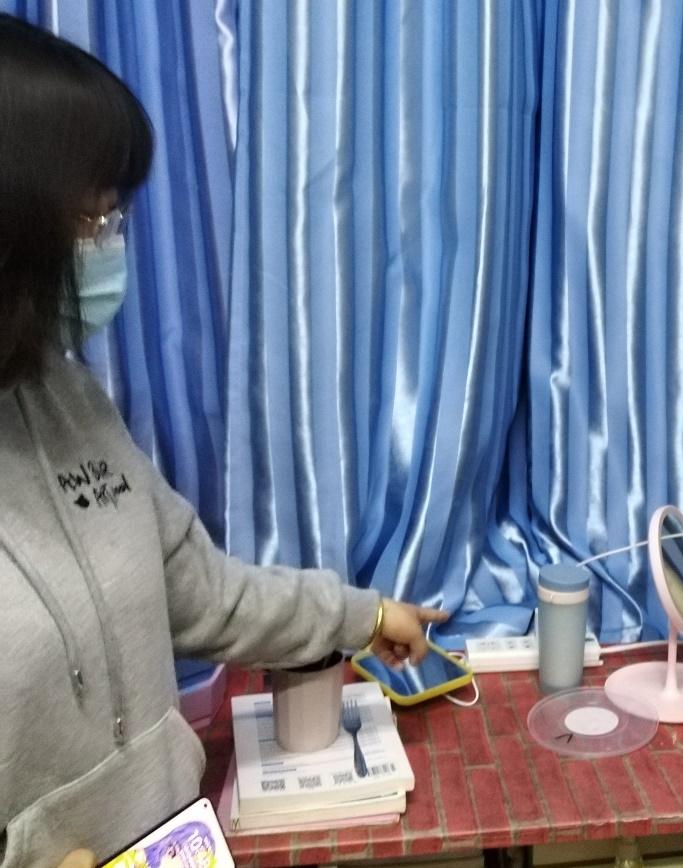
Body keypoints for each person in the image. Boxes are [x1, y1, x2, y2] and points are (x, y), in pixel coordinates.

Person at [0, 15, 446, 867]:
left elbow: (200, 591)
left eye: (113, 218)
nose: (106, 247)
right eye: (90, 221)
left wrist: (361, 615)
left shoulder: (68, 399)